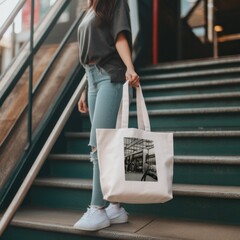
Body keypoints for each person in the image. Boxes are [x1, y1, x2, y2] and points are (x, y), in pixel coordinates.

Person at [73, 0, 140, 231]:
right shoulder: (89, 9)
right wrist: (84, 89)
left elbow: (120, 36)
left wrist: (130, 67)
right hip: (91, 79)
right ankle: (115, 206)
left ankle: (97, 209)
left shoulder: (115, 2)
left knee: (98, 146)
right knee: (105, 146)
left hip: (110, 76)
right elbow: (88, 55)